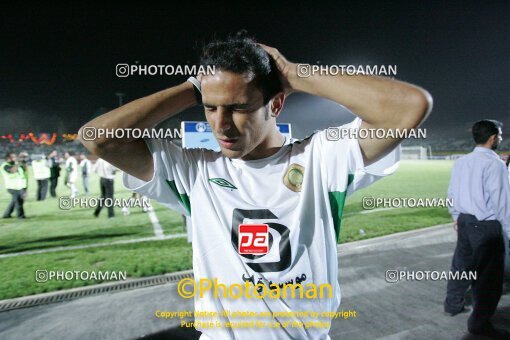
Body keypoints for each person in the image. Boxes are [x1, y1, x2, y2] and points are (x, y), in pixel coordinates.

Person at [79, 32, 432, 339]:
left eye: (238, 108)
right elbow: (97, 138)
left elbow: (409, 106)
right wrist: (193, 88)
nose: (221, 125)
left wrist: (295, 74)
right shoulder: (193, 170)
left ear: (276, 103)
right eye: (210, 107)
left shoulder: (323, 158)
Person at [444, 120, 510, 338]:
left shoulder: (462, 162)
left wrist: (456, 216)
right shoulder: (496, 164)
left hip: (464, 221)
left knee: (461, 265)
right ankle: (479, 325)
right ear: (492, 138)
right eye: (499, 135)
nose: (500, 138)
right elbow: (502, 203)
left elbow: (452, 192)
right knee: (488, 279)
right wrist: (508, 231)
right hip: (486, 226)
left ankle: (452, 304)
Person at [1, 153, 27, 219]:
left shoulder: (15, 164)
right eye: (14, 157)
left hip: (19, 186)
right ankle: (21, 216)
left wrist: (23, 161)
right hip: (11, 187)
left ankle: (6, 214)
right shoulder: (5, 166)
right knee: (18, 201)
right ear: (9, 158)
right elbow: (12, 170)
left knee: (14, 201)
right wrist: (18, 162)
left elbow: (24, 170)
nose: (15, 158)